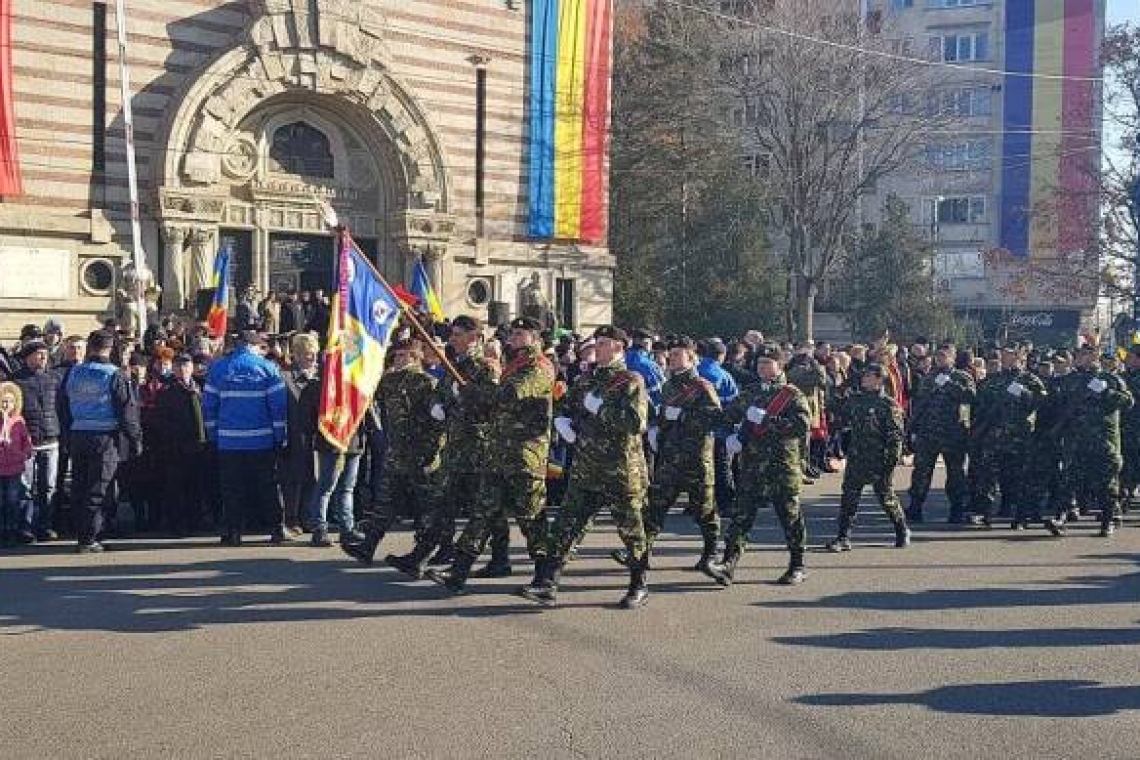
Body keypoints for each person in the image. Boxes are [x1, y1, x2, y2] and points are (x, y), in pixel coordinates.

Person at [520, 325, 651, 609]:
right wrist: (563, 422)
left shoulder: (631, 380)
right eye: (597, 343)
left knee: (631, 531)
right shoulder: (585, 380)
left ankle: (639, 584)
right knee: (566, 527)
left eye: (603, 343)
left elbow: (635, 424)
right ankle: (548, 583)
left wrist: (599, 408)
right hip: (585, 469)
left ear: (618, 347)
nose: (597, 348)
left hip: (620, 470)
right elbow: (568, 407)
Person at [427, 317, 554, 593]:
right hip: (499, 453)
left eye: (521, 335)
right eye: (513, 334)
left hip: (524, 455)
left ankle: (545, 578)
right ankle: (459, 572)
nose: (514, 339)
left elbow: (510, 395)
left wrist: (470, 390)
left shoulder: (537, 367)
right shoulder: (512, 365)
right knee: (482, 514)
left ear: (535, 339)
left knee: (531, 518)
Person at [386, 315, 502, 579]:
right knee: (440, 504)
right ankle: (419, 556)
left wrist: (466, 399)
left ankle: (499, 558)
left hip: (478, 449)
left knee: (483, 509)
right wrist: (437, 405)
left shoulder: (486, 369)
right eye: (452, 334)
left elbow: (493, 406)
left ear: (474, 338)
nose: (452, 339)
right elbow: (441, 395)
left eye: (458, 334)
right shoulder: (453, 367)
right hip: (454, 448)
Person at [707, 352, 810, 587]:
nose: (762, 367)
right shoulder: (751, 392)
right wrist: (726, 433)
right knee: (741, 515)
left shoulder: (792, 395)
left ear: (780, 364)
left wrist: (768, 421)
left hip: (782, 466)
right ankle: (728, 563)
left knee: (789, 516)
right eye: (760, 363)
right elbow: (728, 415)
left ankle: (797, 565)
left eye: (768, 363)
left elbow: (800, 427)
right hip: (752, 465)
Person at [341, 339, 442, 564]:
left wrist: (430, 450)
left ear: (415, 358)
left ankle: (423, 555)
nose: (397, 360)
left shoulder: (427, 383)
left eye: (403, 356)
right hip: (396, 453)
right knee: (385, 502)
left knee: (427, 507)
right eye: (396, 355)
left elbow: (439, 421)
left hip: (420, 454)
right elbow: (366, 392)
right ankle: (368, 546)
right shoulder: (389, 381)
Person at [636, 337, 722, 575]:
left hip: (695, 458)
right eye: (671, 354)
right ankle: (641, 553)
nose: (672, 358)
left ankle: (710, 555)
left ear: (691, 358)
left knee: (704, 510)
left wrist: (683, 417)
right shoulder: (667, 386)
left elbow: (715, 417)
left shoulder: (703, 386)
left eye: (678, 354)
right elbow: (664, 415)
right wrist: (656, 425)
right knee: (655, 506)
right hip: (670, 457)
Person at [202, 330, 289, 546]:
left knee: (232, 488)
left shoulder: (218, 368)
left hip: (229, 442)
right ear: (254, 346)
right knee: (267, 486)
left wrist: (214, 435)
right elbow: (278, 407)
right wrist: (279, 436)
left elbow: (209, 405)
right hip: (262, 440)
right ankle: (277, 529)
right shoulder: (268, 368)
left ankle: (233, 532)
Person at [58, 330, 142, 552]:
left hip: (78, 435)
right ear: (109, 347)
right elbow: (127, 411)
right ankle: (89, 538)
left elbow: (62, 405)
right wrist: (135, 440)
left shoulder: (74, 372)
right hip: (105, 437)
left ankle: (83, 532)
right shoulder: (114, 374)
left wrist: (67, 433)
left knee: (80, 485)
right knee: (99, 488)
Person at [1045, 345, 1134, 537]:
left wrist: (1107, 392)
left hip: (1104, 441)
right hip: (1076, 441)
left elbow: (1128, 402)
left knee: (1106, 484)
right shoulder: (1071, 380)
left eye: (1087, 354)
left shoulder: (1110, 379)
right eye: (1080, 355)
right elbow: (1057, 405)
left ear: (1096, 356)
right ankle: (1059, 518)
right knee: (1068, 481)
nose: (1083, 358)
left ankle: (1108, 520)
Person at [825, 363, 910, 552]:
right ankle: (843, 537)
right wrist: (843, 385)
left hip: (879, 459)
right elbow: (833, 405)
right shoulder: (856, 400)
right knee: (849, 497)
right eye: (863, 376)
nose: (864, 378)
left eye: (868, 376)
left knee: (886, 497)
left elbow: (895, 436)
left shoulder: (888, 405)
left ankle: (901, 529)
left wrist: (890, 462)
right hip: (857, 457)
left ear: (880, 379)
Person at [968, 347, 1046, 528]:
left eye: (1009, 356)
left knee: (1019, 478)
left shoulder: (1029, 379)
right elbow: (980, 406)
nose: (1004, 359)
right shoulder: (992, 380)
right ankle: (985, 514)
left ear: (1019, 358)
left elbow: (1042, 402)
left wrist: (1024, 393)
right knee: (988, 477)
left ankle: (1020, 517)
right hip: (994, 437)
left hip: (1019, 437)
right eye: (1003, 356)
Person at [906, 346, 975, 524]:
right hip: (928, 434)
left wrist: (950, 385)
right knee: (921, 472)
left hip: (953, 434)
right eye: (938, 356)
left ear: (952, 359)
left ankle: (957, 509)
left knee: (955, 474)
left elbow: (971, 398)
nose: (940, 359)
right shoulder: (929, 377)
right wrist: (912, 427)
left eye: (944, 357)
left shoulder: (962, 377)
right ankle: (915, 507)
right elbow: (920, 403)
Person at [13, 340, 63, 541]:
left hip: (51, 440)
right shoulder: (16, 382)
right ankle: (25, 527)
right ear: (27, 357)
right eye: (38, 354)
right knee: (25, 488)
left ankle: (46, 525)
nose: (43, 357)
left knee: (48, 487)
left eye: (45, 354)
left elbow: (61, 407)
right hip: (27, 443)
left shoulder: (53, 379)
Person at [155, 354, 208, 536]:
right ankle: (178, 523)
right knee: (177, 487)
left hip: (199, 445)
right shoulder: (167, 391)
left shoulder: (199, 387)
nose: (183, 369)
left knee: (197, 485)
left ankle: (197, 520)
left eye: (186, 365)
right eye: (179, 366)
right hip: (176, 447)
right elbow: (161, 421)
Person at [280, 333, 320, 535]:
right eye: (306, 353)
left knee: (315, 478)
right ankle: (291, 519)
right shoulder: (285, 376)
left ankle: (309, 518)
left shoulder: (322, 376)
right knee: (294, 480)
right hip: (294, 435)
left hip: (318, 435)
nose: (311, 357)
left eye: (313, 353)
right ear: (296, 354)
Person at [0, 382, 34, 546]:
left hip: (14, 469)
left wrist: (23, 454)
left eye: (10, 402)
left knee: (13, 500)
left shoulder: (19, 421)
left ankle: (12, 530)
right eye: (3, 401)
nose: (7, 405)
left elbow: (27, 444)